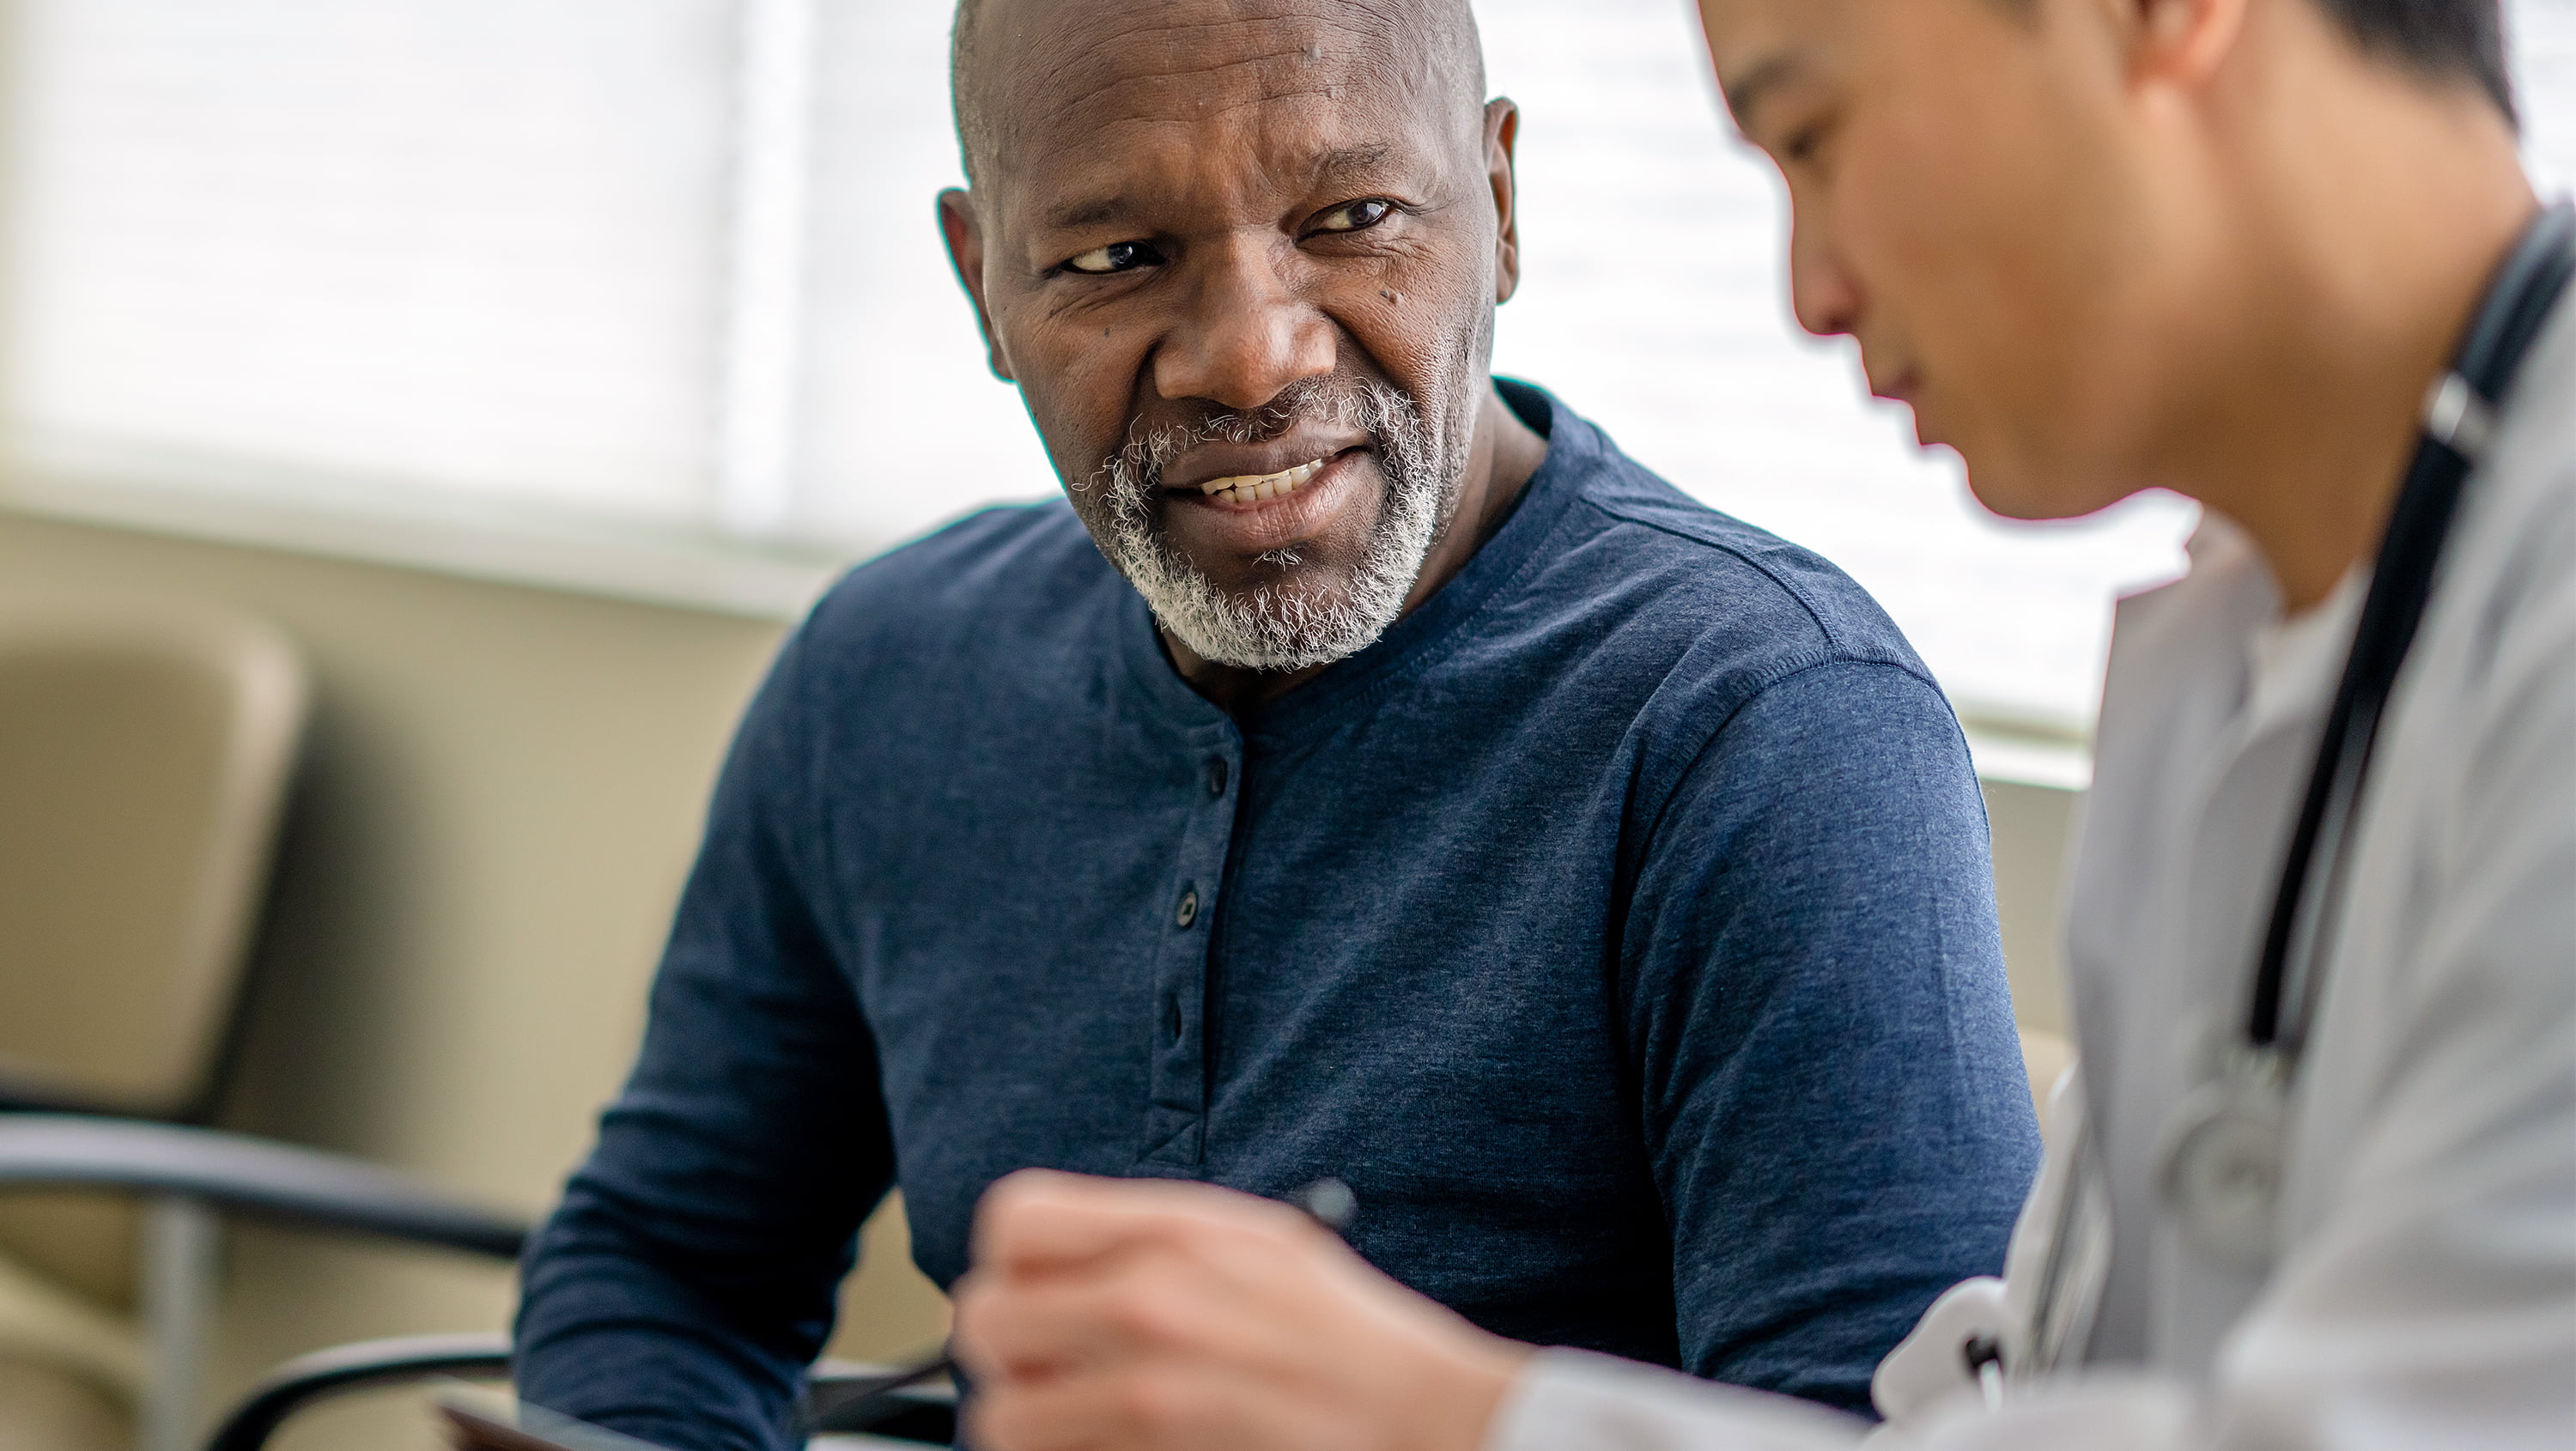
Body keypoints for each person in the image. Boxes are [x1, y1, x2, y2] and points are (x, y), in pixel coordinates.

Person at [944, 0, 2576, 1448]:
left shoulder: (1777, 705)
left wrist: (1443, 1416)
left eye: (1816, 132)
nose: (1811, 295)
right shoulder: (2261, 648)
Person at [511, 0, 2047, 1445]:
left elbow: (1883, 1432)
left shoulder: (1770, 728)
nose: (1251, 355)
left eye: (1353, 217)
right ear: (984, 284)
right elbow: (670, 1267)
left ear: (1500, 205)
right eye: (1118, 255)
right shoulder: (888, 673)